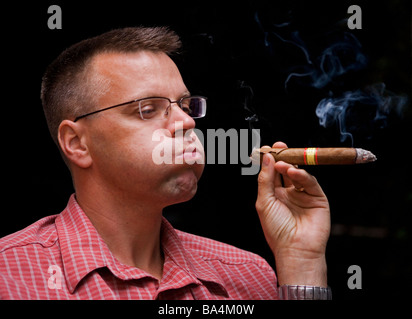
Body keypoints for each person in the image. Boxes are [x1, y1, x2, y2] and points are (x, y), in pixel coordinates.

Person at [0, 27, 331, 300]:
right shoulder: (11, 277)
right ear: (77, 143)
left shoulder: (246, 275)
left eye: (185, 105)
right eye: (147, 109)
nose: (186, 122)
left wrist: (302, 261)